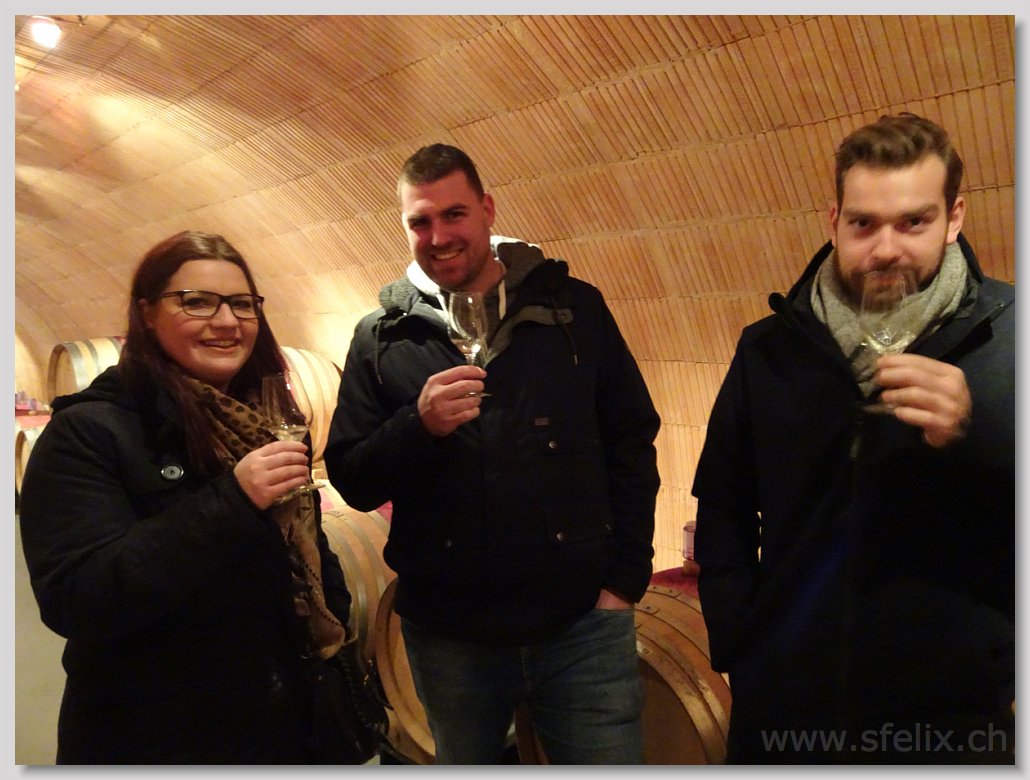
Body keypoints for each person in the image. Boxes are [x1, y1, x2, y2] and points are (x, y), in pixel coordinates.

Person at [692, 113, 1014, 764]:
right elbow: (723, 505)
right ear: (834, 220)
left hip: (950, 715)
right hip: (786, 711)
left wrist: (979, 433)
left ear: (954, 218)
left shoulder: (1012, 341)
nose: (885, 248)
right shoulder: (769, 349)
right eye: (864, 223)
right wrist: (740, 646)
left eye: (913, 222)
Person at [324, 144, 661, 764]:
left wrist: (624, 580)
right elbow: (351, 479)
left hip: (581, 624)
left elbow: (631, 439)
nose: (439, 236)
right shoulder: (382, 336)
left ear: (487, 209)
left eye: (454, 214)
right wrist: (417, 426)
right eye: (420, 222)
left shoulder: (573, 309)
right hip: (450, 634)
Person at [19, 230, 357, 763]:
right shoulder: (87, 433)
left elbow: (308, 544)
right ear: (147, 314)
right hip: (160, 736)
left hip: (286, 723)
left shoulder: (264, 419)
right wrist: (233, 501)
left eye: (242, 304)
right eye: (196, 301)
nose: (226, 321)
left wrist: (334, 633)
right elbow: (78, 600)